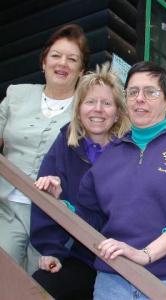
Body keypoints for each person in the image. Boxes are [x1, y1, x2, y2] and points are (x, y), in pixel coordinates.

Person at [74, 61, 166, 299]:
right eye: (133, 92)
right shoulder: (110, 155)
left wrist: (146, 253)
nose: (139, 99)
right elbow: (89, 214)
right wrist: (58, 202)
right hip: (114, 280)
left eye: (150, 92)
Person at [30, 63, 131, 299]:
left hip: (118, 260)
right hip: (76, 255)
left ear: (117, 113)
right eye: (90, 102)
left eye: (107, 104)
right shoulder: (65, 143)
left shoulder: (129, 151)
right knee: (37, 288)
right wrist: (52, 250)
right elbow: (44, 198)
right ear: (78, 109)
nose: (98, 110)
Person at [0, 24, 89, 274]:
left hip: (54, 219)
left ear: (81, 70)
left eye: (72, 59)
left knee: (38, 287)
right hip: (5, 208)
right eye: (55, 55)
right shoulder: (16, 94)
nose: (62, 63)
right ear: (43, 62)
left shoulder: (88, 110)